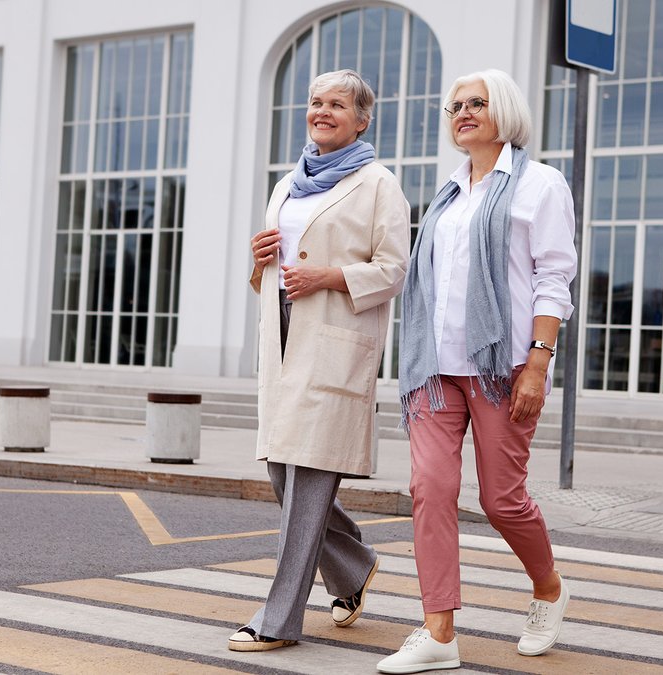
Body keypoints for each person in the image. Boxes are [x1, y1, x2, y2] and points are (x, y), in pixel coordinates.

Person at [377, 69, 577, 674]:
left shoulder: (540, 185)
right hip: (435, 368)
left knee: (501, 499)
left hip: (503, 366)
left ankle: (548, 589)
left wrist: (538, 364)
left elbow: (553, 277)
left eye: (475, 103)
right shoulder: (448, 192)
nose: (461, 112)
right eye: (454, 106)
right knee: (429, 490)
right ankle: (438, 631)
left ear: (505, 111)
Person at [229, 69, 411, 652]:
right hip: (283, 346)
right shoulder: (287, 184)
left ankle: (278, 620)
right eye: (315, 102)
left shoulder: (380, 184)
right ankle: (353, 567)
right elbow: (271, 270)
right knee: (284, 479)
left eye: (337, 104)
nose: (322, 111)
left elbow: (394, 270)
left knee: (306, 485)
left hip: (333, 349)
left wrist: (329, 276)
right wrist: (258, 260)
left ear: (362, 119)